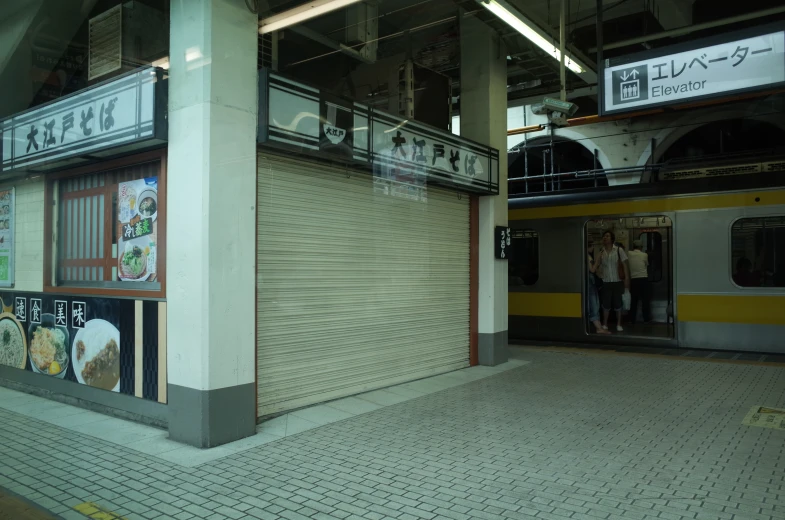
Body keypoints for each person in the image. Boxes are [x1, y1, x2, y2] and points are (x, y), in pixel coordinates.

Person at [596, 230, 629, 332]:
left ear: (612, 239)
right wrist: (599, 273)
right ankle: (605, 324)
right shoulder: (601, 252)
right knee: (606, 304)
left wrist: (627, 279)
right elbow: (597, 266)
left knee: (618, 304)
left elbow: (625, 266)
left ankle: (619, 324)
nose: (605, 238)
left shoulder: (619, 250)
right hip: (606, 282)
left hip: (618, 281)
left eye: (607, 236)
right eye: (604, 236)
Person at [627, 239, 650, 324]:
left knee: (634, 301)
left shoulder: (629, 254)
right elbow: (646, 264)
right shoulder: (644, 255)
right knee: (645, 300)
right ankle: (646, 319)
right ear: (641, 247)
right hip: (643, 279)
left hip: (634, 279)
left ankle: (631, 319)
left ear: (633, 247)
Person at [587, 249, 610, 334]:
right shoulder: (587, 256)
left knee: (594, 304)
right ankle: (599, 328)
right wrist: (597, 259)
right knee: (594, 304)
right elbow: (592, 270)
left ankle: (599, 327)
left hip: (591, 283)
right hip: (590, 283)